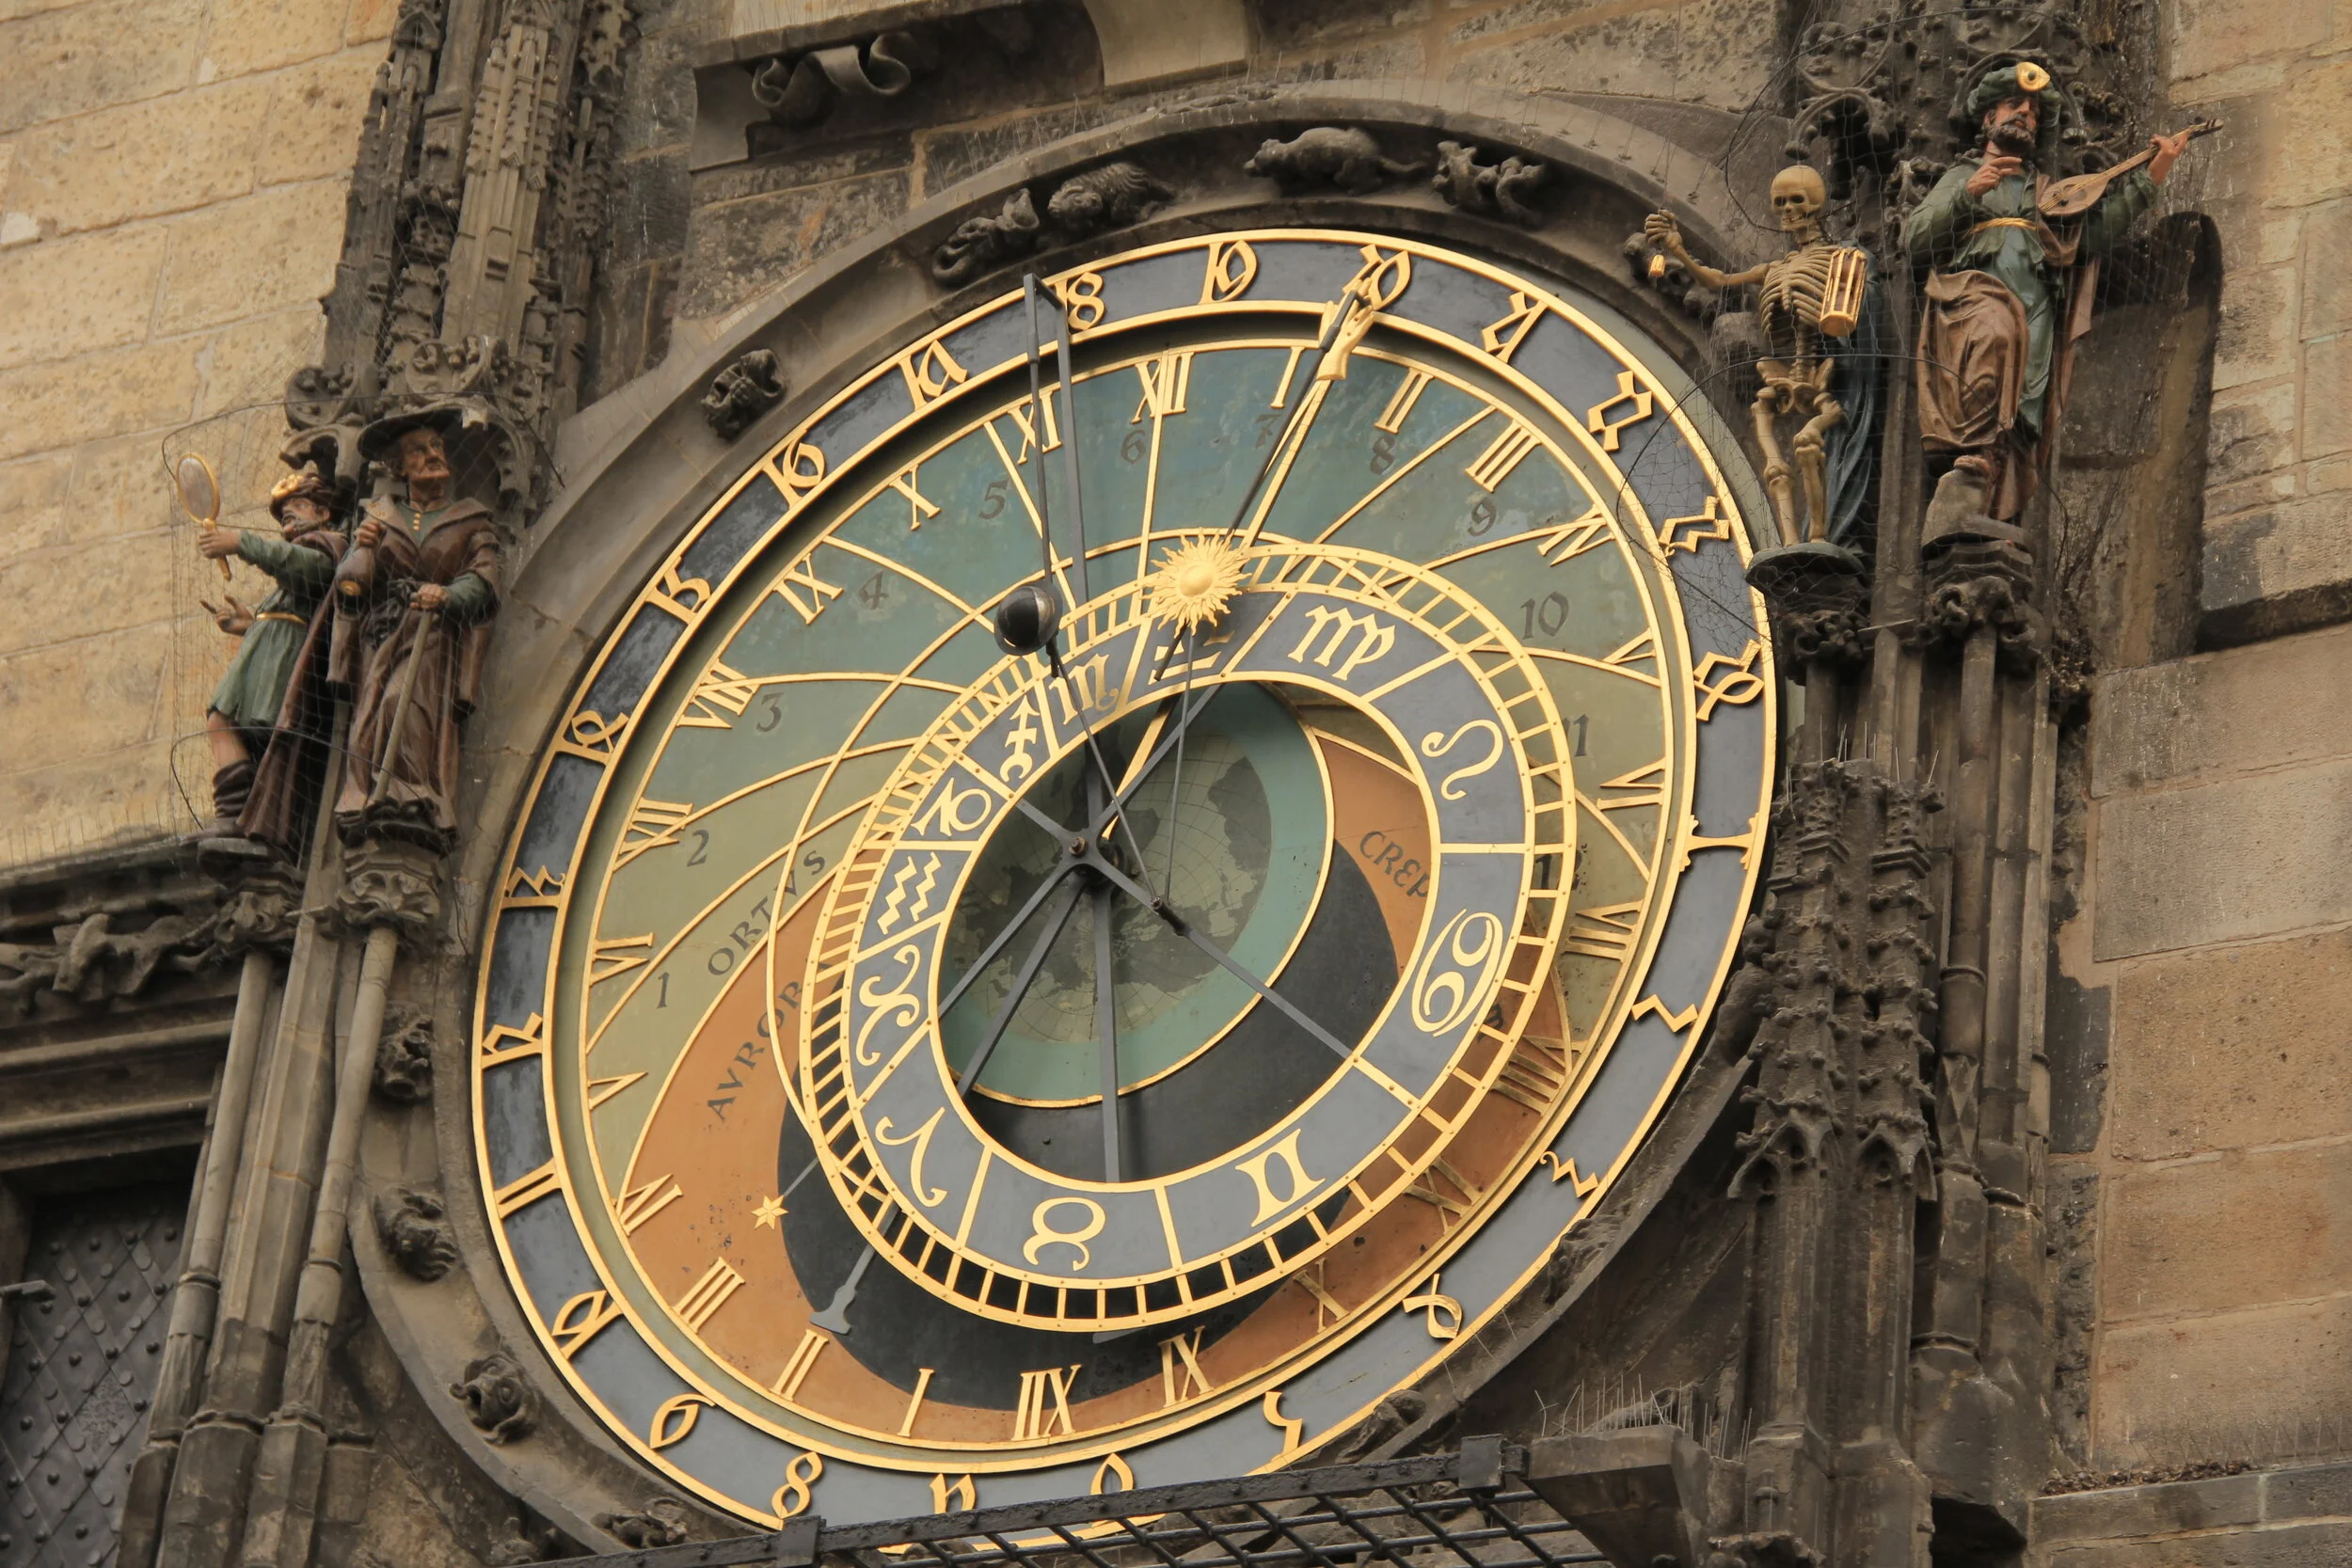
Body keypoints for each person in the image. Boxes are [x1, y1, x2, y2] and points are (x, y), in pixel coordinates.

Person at [1903, 61, 2193, 525]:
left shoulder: (2046, 192)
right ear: (1987, 119)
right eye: (2013, 105)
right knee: (1992, 342)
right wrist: (1968, 196)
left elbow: (2093, 239)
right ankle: (1967, 475)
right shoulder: (1961, 178)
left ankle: (1992, 507)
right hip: (1974, 297)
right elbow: (1915, 240)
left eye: (2033, 112)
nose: (2023, 115)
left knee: (2020, 411)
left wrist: (2152, 173)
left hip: (2036, 307)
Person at [331, 417, 501, 850]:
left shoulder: (469, 519)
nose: (433, 456)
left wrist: (445, 594)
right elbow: (350, 587)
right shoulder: (379, 516)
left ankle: (411, 790)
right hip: (382, 635)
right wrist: (363, 546)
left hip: (432, 634)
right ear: (399, 467)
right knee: (370, 712)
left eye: (437, 447)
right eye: (419, 451)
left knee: (402, 702)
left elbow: (484, 581)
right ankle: (373, 791)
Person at [195, 467, 343, 839]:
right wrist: (249, 622)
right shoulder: (292, 561)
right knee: (223, 723)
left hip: (285, 666)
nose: (288, 514)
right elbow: (289, 606)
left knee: (238, 729)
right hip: (268, 658)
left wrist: (239, 542)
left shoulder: (330, 547)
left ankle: (242, 818)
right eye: (283, 511)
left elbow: (305, 571)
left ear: (324, 512)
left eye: (299, 505)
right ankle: (238, 816)